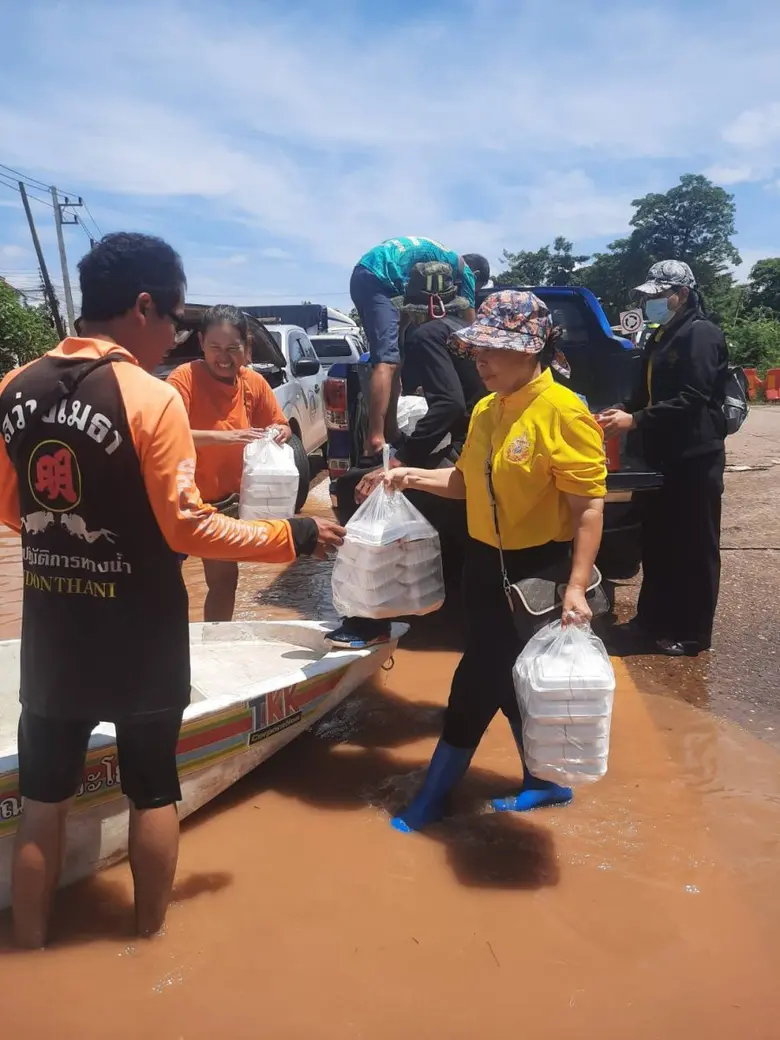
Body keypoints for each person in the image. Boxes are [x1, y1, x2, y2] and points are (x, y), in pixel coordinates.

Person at [0, 232, 345, 947]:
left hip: (54, 630)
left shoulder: (13, 388)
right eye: (177, 322)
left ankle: (30, 950)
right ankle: (146, 945)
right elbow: (189, 530)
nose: (178, 340)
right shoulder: (151, 400)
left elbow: (9, 508)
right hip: (141, 630)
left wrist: (68, 536)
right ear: (144, 306)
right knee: (153, 791)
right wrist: (293, 536)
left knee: (42, 807)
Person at [380, 290, 607, 833]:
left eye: (491, 350)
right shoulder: (486, 408)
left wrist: (576, 586)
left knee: (475, 681)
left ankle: (432, 799)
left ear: (530, 352)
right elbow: (463, 483)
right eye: (476, 349)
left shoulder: (563, 412)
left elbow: (588, 509)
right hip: (483, 567)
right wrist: (407, 476)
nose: (478, 359)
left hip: (536, 575)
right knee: (509, 680)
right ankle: (545, 781)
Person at [327, 262, 485, 650]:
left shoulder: (429, 335)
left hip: (468, 451)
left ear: (423, 306)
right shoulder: (463, 333)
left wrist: (405, 457)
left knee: (356, 490)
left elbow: (448, 405)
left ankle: (369, 621)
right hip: (483, 448)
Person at [599, 260, 727, 656]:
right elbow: (643, 394)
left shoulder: (700, 334)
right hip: (660, 457)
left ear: (681, 294)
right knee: (657, 542)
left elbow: (693, 398)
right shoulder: (661, 336)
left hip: (694, 456)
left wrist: (634, 420)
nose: (653, 300)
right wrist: (617, 410)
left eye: (659, 294)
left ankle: (692, 633)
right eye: (650, 295)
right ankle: (651, 620)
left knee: (694, 546)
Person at [167, 305, 292, 622]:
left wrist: (280, 432)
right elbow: (165, 434)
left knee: (224, 582)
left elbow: (282, 425)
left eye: (233, 348)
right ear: (201, 343)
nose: (224, 357)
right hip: (176, 501)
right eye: (215, 348)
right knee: (163, 585)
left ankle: (213, 647)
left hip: (222, 505)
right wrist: (228, 437)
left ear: (246, 347)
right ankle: (167, 649)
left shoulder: (253, 383)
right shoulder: (184, 378)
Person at [350, 238, 487, 458]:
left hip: (370, 272)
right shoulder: (467, 275)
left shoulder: (440, 263)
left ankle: (391, 430)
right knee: (387, 359)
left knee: (397, 352)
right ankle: (375, 438)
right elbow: (471, 331)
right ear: (476, 276)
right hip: (379, 277)